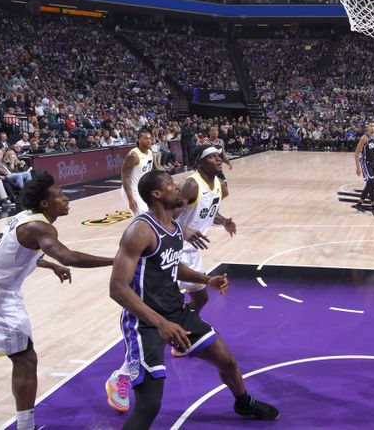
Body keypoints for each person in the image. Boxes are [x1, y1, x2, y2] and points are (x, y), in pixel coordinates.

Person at [108, 171, 278, 428]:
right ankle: (118, 380)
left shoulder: (175, 227)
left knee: (228, 361)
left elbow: (172, 266)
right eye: (170, 184)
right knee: (149, 405)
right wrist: (161, 324)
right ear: (156, 194)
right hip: (144, 322)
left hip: (177, 312)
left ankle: (243, 402)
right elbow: (117, 289)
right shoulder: (140, 231)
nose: (177, 187)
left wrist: (205, 278)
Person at [0, 172, 113, 429]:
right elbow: (68, 256)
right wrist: (117, 259)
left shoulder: (26, 218)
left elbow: (17, 252)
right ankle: (26, 426)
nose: (66, 199)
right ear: (44, 203)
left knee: (3, 342)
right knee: (25, 357)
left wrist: (51, 266)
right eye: (60, 195)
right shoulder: (39, 226)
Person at [174, 145, 236, 336]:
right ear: (200, 162)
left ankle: (188, 326)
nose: (218, 159)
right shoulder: (191, 185)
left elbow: (208, 210)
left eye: (219, 156)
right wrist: (184, 230)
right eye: (212, 157)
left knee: (200, 297)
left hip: (191, 248)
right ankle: (180, 333)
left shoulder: (218, 184)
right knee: (179, 298)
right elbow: (166, 215)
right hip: (174, 246)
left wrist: (223, 220)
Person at [121, 131, 154, 216]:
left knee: (152, 214)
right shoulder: (133, 156)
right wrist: (130, 199)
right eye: (146, 138)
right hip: (132, 190)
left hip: (143, 189)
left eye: (150, 138)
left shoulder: (150, 153)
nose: (149, 141)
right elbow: (125, 177)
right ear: (139, 140)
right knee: (145, 217)